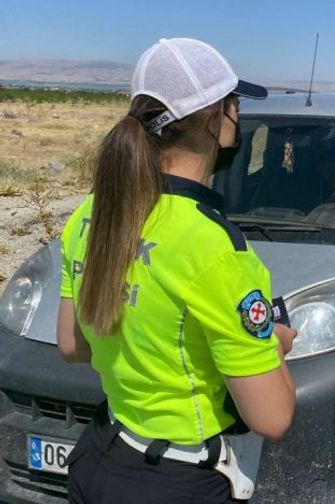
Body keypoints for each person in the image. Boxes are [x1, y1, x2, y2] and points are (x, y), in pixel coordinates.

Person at [56, 38, 297, 504]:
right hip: (178, 480)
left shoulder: (92, 213)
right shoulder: (215, 245)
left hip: (99, 458)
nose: (237, 115)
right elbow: (273, 418)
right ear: (214, 119)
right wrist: (272, 343)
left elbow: (72, 345)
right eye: (235, 103)